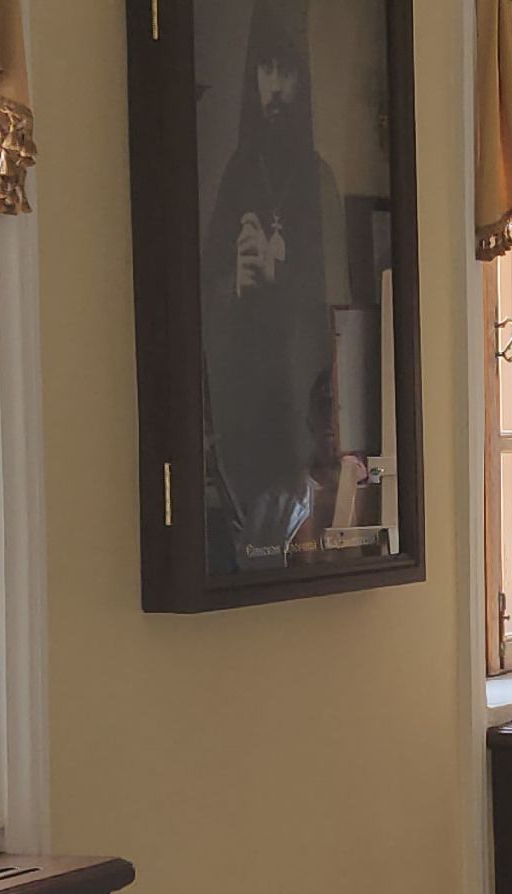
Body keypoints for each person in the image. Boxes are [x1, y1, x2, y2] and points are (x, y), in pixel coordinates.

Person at [201, 0, 348, 573]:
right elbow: (203, 304)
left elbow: (335, 308)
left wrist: (284, 279)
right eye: (266, 70)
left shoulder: (318, 180)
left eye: (287, 71)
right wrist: (234, 286)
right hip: (243, 401)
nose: (277, 88)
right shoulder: (236, 175)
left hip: (299, 403)